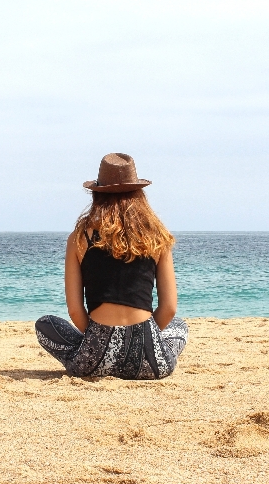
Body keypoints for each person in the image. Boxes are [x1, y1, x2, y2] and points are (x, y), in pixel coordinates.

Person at [35, 153, 189, 380]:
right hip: (151, 363)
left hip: (95, 361)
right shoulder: (156, 237)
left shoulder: (79, 238)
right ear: (139, 194)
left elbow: (76, 311)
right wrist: (143, 337)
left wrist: (100, 339)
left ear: (97, 195)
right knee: (179, 326)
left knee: (45, 325)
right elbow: (169, 309)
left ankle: (93, 350)